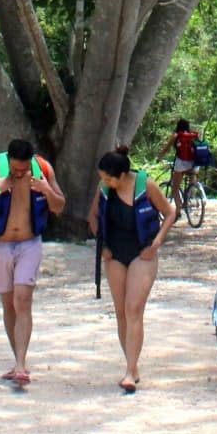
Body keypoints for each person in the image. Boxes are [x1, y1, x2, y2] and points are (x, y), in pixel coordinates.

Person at [0, 138, 65, 386]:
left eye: (24, 169)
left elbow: (59, 206)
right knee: (9, 304)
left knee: (23, 300)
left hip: (30, 243)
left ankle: (22, 364)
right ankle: (16, 359)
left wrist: (47, 190)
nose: (20, 174)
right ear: (8, 161)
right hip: (1, 244)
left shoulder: (42, 169)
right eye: (15, 170)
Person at [88, 147, 175, 394]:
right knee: (121, 312)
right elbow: (93, 217)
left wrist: (156, 243)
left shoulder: (146, 185)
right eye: (103, 178)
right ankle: (132, 365)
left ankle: (129, 372)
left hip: (142, 252)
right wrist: (102, 245)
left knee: (133, 308)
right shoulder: (104, 189)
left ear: (122, 175)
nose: (105, 183)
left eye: (109, 179)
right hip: (114, 254)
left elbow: (170, 213)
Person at [158, 118, 200, 221]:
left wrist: (160, 157)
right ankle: (191, 195)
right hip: (194, 164)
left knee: (175, 187)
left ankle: (178, 210)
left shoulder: (176, 136)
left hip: (181, 163)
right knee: (192, 180)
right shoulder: (193, 136)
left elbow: (166, 149)